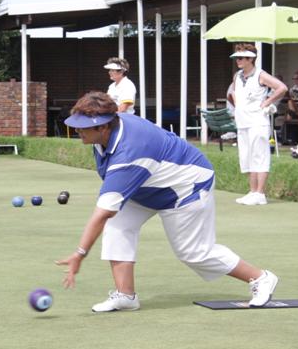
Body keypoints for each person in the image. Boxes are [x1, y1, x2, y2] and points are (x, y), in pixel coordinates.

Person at [55, 91, 279, 312]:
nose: (77, 130)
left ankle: (261, 278)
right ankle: (125, 295)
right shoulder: (109, 130)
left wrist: (80, 253)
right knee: (117, 225)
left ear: (103, 127)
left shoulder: (130, 154)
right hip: (149, 185)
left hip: (187, 185)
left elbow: (102, 212)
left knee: (194, 253)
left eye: (83, 126)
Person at [229, 43, 288, 206]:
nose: (238, 61)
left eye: (241, 58)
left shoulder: (260, 75)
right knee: (247, 157)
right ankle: (253, 191)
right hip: (243, 122)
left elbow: (282, 88)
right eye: (237, 58)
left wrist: (267, 101)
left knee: (259, 156)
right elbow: (233, 92)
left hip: (257, 122)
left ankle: (260, 193)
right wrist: (238, 105)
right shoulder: (237, 76)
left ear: (250, 59)